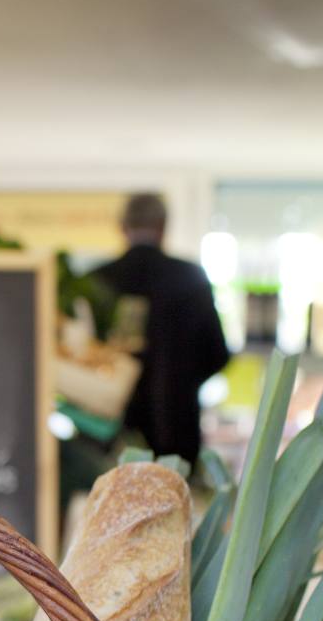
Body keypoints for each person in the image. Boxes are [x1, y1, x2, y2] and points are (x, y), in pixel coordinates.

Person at [92, 193, 230, 467]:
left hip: (112, 431)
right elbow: (218, 353)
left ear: (122, 227)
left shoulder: (99, 279)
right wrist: (182, 383)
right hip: (177, 429)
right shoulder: (190, 277)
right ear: (163, 226)